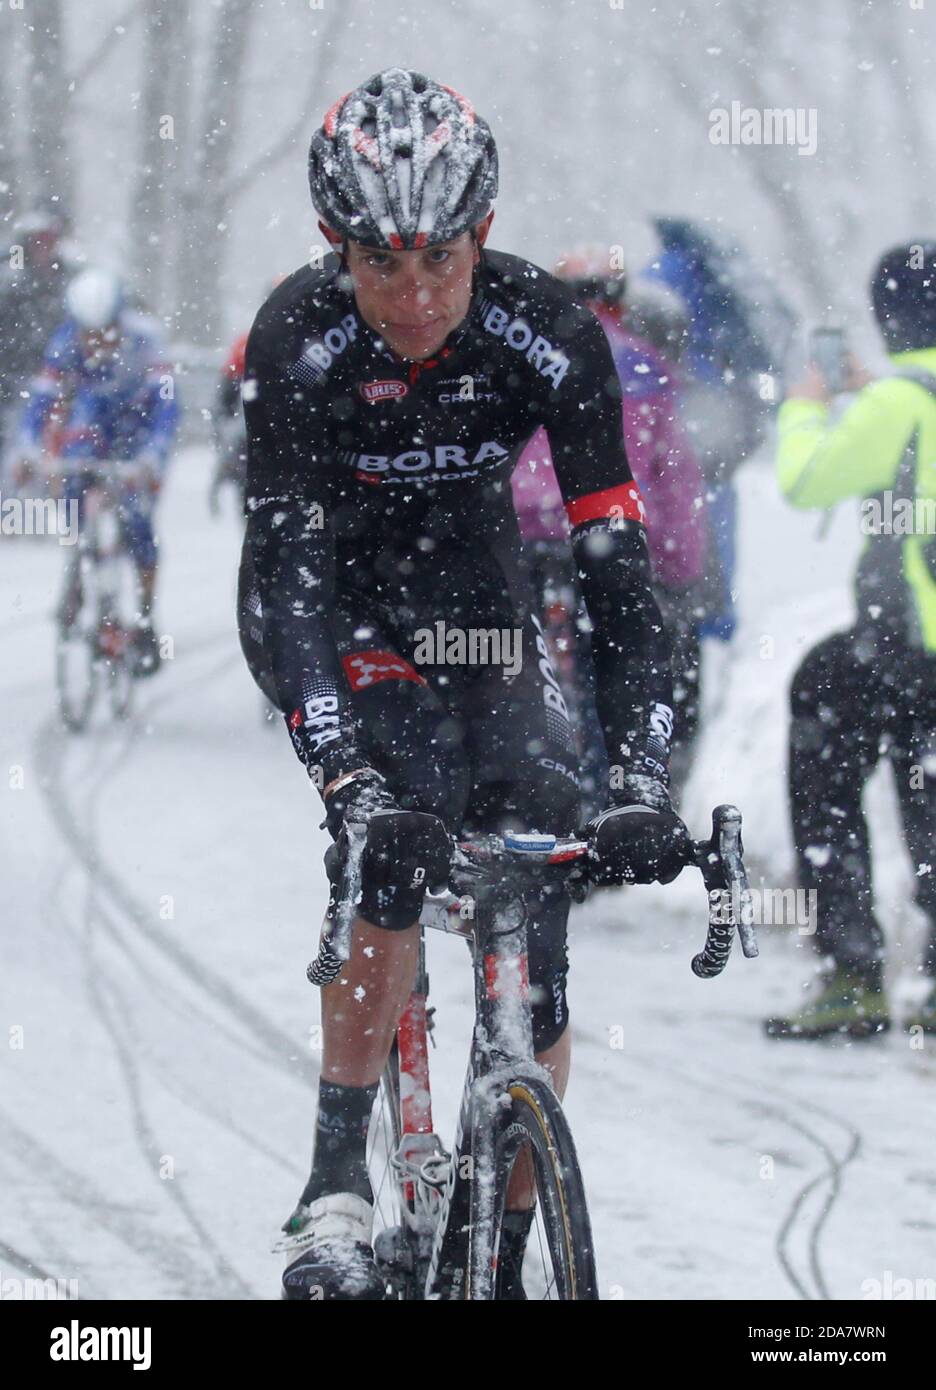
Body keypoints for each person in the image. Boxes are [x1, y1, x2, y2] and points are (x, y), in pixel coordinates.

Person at [237, 68, 690, 1301]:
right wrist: (345, 772)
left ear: (483, 233)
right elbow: (289, 585)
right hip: (334, 601)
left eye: (441, 257)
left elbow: (618, 576)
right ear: (337, 248)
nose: (418, 294)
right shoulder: (297, 338)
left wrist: (642, 777)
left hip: (478, 605)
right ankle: (335, 1182)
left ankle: (506, 1232)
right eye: (382, 264)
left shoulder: (548, 333)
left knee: (535, 841)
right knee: (391, 840)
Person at [766, 241, 936, 1040]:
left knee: (822, 733)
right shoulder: (906, 400)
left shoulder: (900, 401)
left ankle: (853, 969)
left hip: (904, 644)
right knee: (929, 789)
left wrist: (806, 405)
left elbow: (808, 478)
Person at [514, 250, 708, 803]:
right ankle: (607, 803)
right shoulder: (646, 369)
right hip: (611, 535)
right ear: (618, 300)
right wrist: (676, 566)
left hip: (528, 544)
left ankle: (533, 798)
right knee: (612, 670)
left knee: (523, 672)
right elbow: (673, 480)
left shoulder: (521, 360)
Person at [18, 267, 178, 673]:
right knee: (74, 477)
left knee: (138, 521)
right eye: (87, 333)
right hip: (93, 428)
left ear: (119, 320)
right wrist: (28, 449)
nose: (95, 342)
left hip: (136, 428)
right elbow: (40, 401)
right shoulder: (65, 343)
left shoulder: (146, 342)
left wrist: (152, 456)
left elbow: (166, 407)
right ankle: (79, 562)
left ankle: (144, 618)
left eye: (103, 332)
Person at [645, 218, 795, 644]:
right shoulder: (724, 280)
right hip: (719, 413)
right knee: (712, 509)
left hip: (684, 408)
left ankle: (690, 615)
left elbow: (649, 338)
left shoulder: (663, 275)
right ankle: (715, 616)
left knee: (679, 501)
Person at [0, 211, 67, 480]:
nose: (45, 248)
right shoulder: (11, 276)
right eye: (39, 241)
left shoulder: (63, 276)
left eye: (49, 241)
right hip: (9, 376)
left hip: (46, 375)